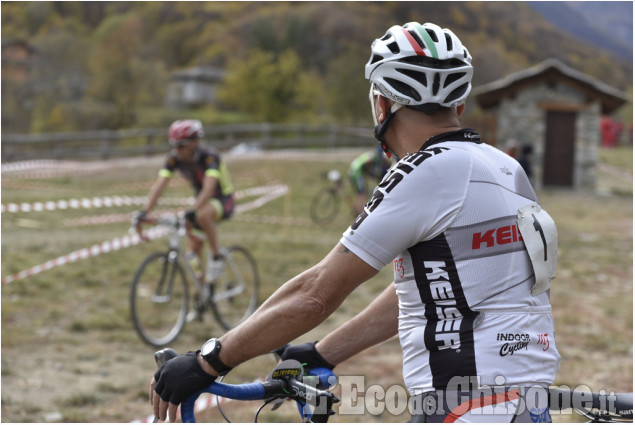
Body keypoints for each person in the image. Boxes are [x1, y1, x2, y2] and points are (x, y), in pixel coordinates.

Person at [149, 22, 560, 423]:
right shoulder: (506, 168)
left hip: (465, 405)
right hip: (525, 401)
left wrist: (208, 361)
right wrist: (325, 353)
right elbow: (432, 288)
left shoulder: (424, 171)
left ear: (381, 104)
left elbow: (315, 294)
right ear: (459, 106)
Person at [134, 119, 235, 284]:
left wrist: (193, 209)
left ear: (194, 142)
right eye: (173, 145)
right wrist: (145, 211)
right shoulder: (174, 159)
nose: (176, 150)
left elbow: (209, 189)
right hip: (200, 203)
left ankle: (217, 257)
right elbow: (160, 185)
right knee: (192, 256)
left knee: (202, 215)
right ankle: (201, 293)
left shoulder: (209, 157)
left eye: (181, 145)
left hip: (222, 199)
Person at [348, 144, 392, 215]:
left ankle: (359, 211)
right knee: (362, 193)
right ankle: (360, 212)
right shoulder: (374, 158)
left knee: (363, 193)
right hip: (357, 172)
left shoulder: (375, 156)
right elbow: (364, 167)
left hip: (357, 170)